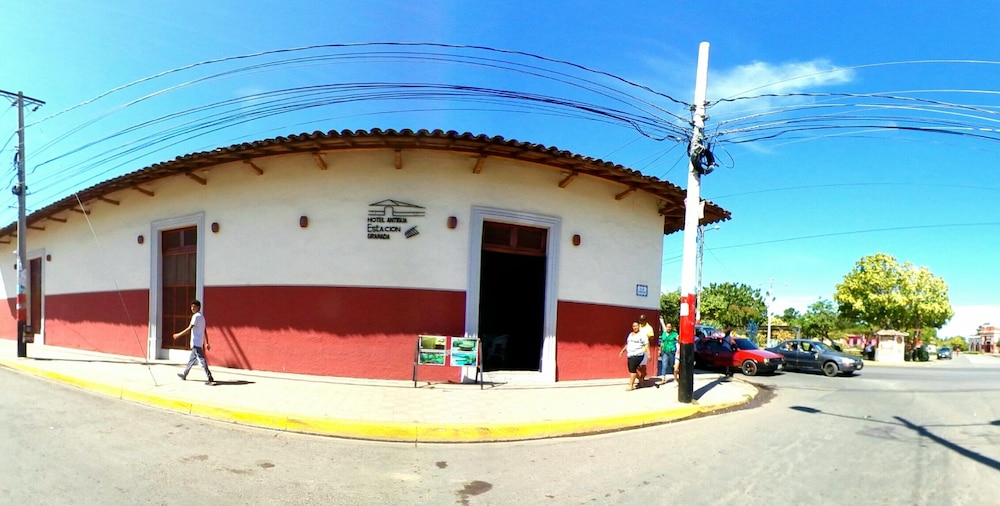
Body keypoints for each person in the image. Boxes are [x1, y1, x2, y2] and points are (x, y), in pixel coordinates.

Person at [175, 299, 215, 385]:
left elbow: (189, 328)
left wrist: (178, 335)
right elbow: (204, 330)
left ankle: (209, 377)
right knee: (191, 360)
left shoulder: (196, 316)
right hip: (198, 342)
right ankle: (184, 374)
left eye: (194, 306)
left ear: (198, 307)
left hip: (196, 342)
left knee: (201, 360)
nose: (192, 308)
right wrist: (207, 342)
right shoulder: (202, 317)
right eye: (191, 306)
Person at [618, 321, 649, 391]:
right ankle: (640, 380)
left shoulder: (642, 335)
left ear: (639, 326)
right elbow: (627, 344)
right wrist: (622, 351)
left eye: (636, 326)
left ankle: (631, 385)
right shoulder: (630, 334)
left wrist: (649, 354)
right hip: (630, 354)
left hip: (637, 354)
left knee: (632, 371)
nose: (635, 327)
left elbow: (646, 344)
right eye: (634, 326)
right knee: (632, 370)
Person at [658, 316, 678, 382]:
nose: (668, 328)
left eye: (670, 327)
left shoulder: (674, 334)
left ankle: (675, 376)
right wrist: (660, 350)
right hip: (665, 351)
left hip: (671, 351)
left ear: (671, 328)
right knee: (664, 365)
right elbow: (662, 342)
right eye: (667, 327)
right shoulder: (664, 333)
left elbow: (678, 339)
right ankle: (663, 378)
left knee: (671, 365)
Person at [637, 314, 655, 385]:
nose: (640, 321)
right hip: (636, 348)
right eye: (640, 320)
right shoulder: (638, 326)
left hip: (644, 349)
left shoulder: (649, 328)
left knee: (642, 365)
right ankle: (642, 376)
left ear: (645, 320)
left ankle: (642, 378)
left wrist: (646, 341)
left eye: (642, 320)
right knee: (635, 365)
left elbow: (652, 337)